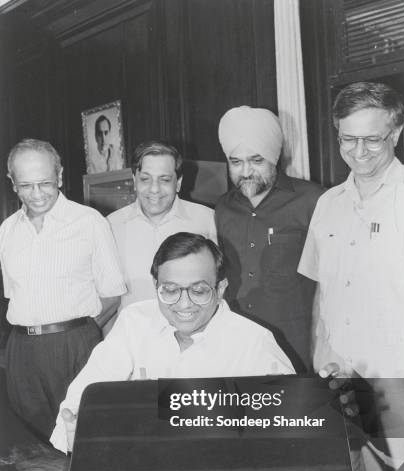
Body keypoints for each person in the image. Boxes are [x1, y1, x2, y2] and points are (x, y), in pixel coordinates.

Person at [50, 232, 295, 453]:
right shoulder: (134, 322)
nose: (184, 304)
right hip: (141, 467)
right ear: (156, 286)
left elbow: (293, 426)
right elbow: (81, 397)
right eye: (170, 290)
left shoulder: (255, 341)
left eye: (198, 291)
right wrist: (76, 428)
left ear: (221, 289)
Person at [298, 81, 404, 471]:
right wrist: (319, 354)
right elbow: (321, 290)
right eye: (348, 140)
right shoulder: (328, 204)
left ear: (397, 132)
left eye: (372, 140)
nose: (359, 153)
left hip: (399, 380)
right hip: (341, 377)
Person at [1, 139, 126, 440]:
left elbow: (112, 293)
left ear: (59, 176)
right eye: (26, 185)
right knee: (32, 446)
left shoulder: (89, 221)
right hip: (22, 353)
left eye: (45, 183)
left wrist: (80, 333)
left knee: (80, 437)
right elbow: (13, 296)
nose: (37, 194)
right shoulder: (6, 230)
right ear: (13, 184)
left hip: (75, 344)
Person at [215, 106, 325, 373]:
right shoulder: (222, 208)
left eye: (256, 160)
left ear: (274, 157)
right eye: (236, 162)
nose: (246, 172)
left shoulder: (313, 200)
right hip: (238, 344)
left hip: (295, 346)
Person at [108, 140, 217, 308]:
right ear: (134, 180)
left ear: (178, 182)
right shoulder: (111, 225)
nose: (154, 189)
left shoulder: (206, 220)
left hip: (191, 330)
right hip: (132, 331)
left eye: (164, 180)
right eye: (145, 179)